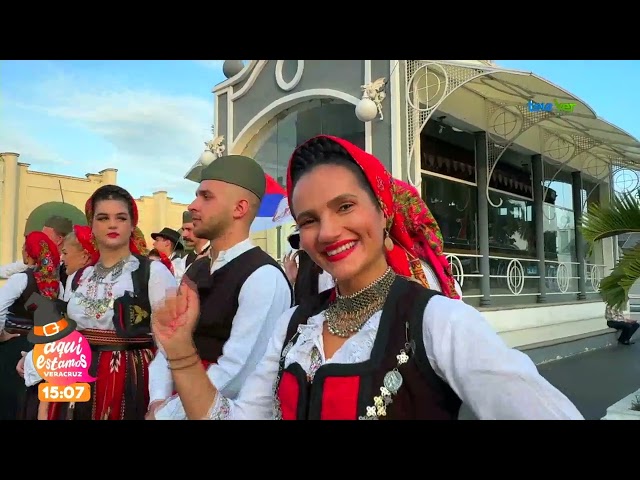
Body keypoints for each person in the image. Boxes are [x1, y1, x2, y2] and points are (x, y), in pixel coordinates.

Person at [151, 134, 584, 420]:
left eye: (344, 207)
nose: (329, 231)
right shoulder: (295, 325)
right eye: (309, 219)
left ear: (382, 210)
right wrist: (181, 354)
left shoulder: (438, 321)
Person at [146, 154, 293, 420]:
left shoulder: (263, 276)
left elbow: (237, 373)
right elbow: (169, 346)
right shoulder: (197, 269)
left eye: (206, 197)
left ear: (239, 208)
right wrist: (157, 399)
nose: (193, 206)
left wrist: (165, 414)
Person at [22, 185, 177, 420]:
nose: (112, 224)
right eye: (103, 218)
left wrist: (158, 400)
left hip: (125, 381)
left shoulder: (151, 273)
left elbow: (170, 346)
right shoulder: (83, 276)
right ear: (92, 225)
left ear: (132, 224)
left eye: (121, 218)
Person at [18, 225, 100, 420]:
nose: (61, 258)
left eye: (65, 252)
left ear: (85, 256)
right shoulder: (75, 279)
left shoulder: (86, 284)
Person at [0, 231, 63, 420]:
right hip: (41, 348)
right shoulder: (57, 283)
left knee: (8, 400)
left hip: (14, 345)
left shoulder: (21, 279)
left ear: (28, 253)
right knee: (30, 401)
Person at [0, 215, 73, 285]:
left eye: (44, 236)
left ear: (59, 239)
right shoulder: (40, 258)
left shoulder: (70, 264)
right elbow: (13, 268)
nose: (40, 239)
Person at [283, 228, 334, 305]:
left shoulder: (329, 273)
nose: (301, 247)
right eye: (300, 243)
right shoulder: (304, 269)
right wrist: (293, 280)